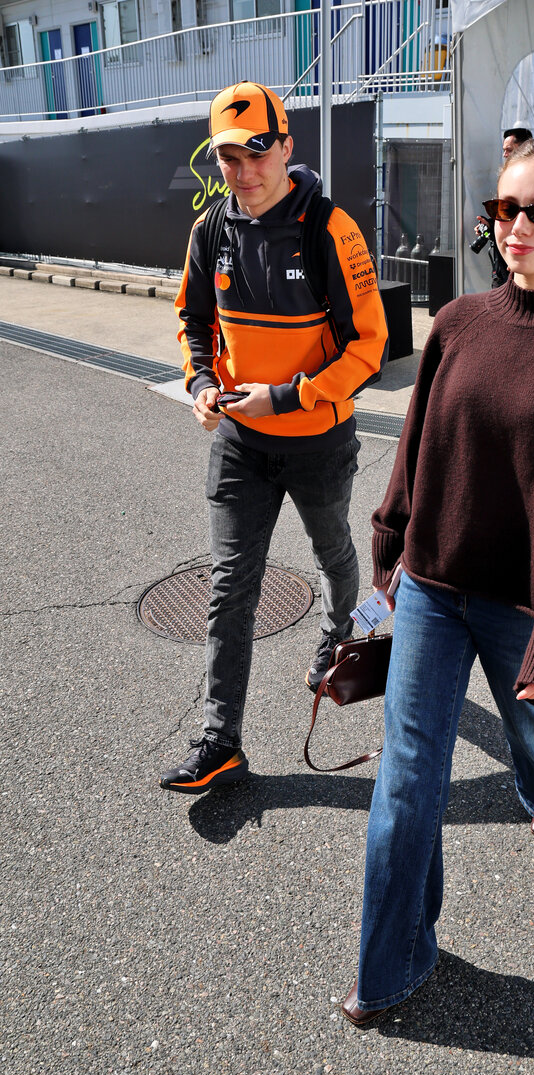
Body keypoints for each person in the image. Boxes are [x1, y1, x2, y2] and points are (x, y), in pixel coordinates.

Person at [341, 138, 534, 1025]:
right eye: (503, 209)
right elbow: (419, 446)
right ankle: (389, 965)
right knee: (406, 779)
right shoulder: (459, 322)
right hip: (433, 586)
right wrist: (390, 545)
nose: (516, 227)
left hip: (523, 602)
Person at [160, 81, 388, 794]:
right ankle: (219, 741)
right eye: (228, 155)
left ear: (286, 146)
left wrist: (288, 394)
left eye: (256, 150)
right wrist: (201, 386)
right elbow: (194, 324)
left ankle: (335, 637)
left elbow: (369, 348)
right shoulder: (209, 230)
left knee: (331, 553)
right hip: (239, 443)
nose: (242, 168)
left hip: (316, 440)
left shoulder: (329, 228)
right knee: (230, 587)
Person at [472, 124, 534, 287]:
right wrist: (489, 226)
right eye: (504, 150)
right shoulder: (506, 178)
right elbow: (508, 217)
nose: (505, 155)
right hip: (501, 271)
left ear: (525, 149)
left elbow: (522, 222)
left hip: (521, 272)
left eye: (509, 150)